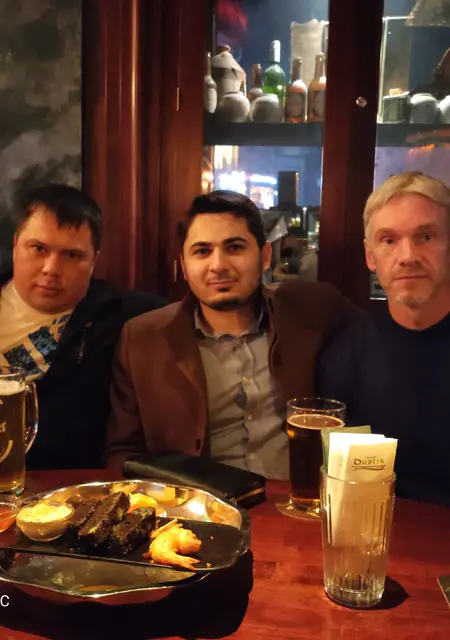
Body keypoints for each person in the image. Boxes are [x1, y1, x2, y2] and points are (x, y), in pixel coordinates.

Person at [105, 190, 357, 478]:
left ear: (265, 256)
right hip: (197, 501)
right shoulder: (143, 339)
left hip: (298, 499)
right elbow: (123, 451)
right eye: (202, 252)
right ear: (184, 266)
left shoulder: (313, 310)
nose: (218, 266)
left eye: (235, 248)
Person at [0, 184, 166, 470]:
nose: (51, 268)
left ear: (94, 260)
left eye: (72, 255)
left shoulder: (128, 315)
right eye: (39, 248)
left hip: (69, 485)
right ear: (16, 244)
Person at [318, 171, 450, 507]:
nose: (407, 256)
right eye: (389, 240)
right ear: (370, 256)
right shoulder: (346, 354)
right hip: (385, 528)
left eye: (425, 237)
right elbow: (351, 484)